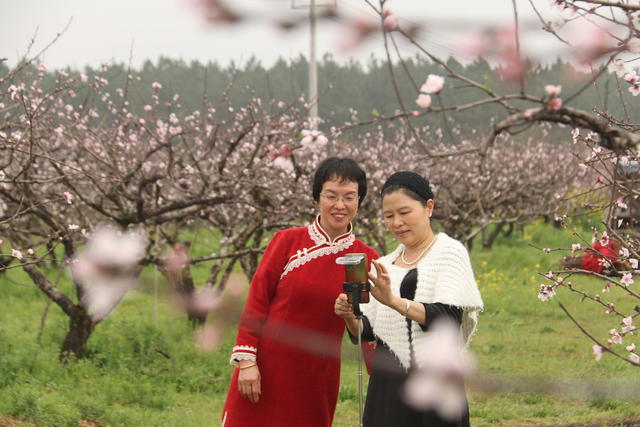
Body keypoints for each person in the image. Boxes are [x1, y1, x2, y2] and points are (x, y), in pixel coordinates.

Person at [221, 157, 379, 427]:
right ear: (317, 197)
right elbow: (257, 300)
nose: (339, 205)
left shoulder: (366, 259)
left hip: (317, 376)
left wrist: (382, 384)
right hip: (266, 367)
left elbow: (369, 329)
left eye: (349, 197)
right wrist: (247, 362)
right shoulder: (287, 241)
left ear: (359, 201)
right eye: (331, 195)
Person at [334, 171, 484, 427]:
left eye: (405, 212)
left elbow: (446, 319)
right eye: (389, 216)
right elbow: (367, 332)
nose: (397, 223)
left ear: (429, 207)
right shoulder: (384, 263)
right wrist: (350, 316)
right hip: (388, 382)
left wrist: (394, 301)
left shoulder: (449, 253)